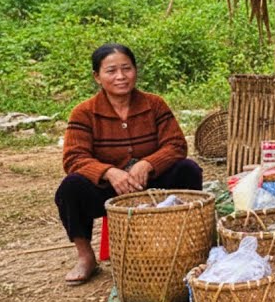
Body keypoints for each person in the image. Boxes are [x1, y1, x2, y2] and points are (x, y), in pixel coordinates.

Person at [56, 44, 203, 285]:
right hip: (110, 190)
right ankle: (85, 256)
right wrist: (109, 172)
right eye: (111, 71)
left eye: (126, 68)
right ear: (97, 77)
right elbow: (74, 158)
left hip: (152, 185)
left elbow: (176, 144)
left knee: (188, 169)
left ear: (135, 71)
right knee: (70, 188)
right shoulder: (84, 113)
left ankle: (187, 245)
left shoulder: (154, 105)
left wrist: (148, 163)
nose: (120, 77)